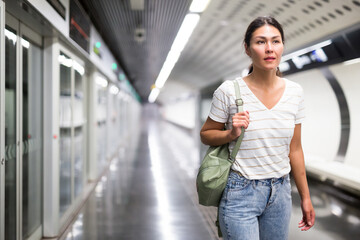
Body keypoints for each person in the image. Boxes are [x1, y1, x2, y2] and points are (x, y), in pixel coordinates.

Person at [200, 16, 315, 240]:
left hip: (280, 193)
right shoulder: (229, 91)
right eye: (261, 42)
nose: (269, 49)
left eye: (276, 41)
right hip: (240, 191)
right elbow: (206, 134)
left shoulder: (295, 92)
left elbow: (295, 149)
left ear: (282, 46)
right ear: (247, 49)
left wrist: (305, 197)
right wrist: (230, 134)